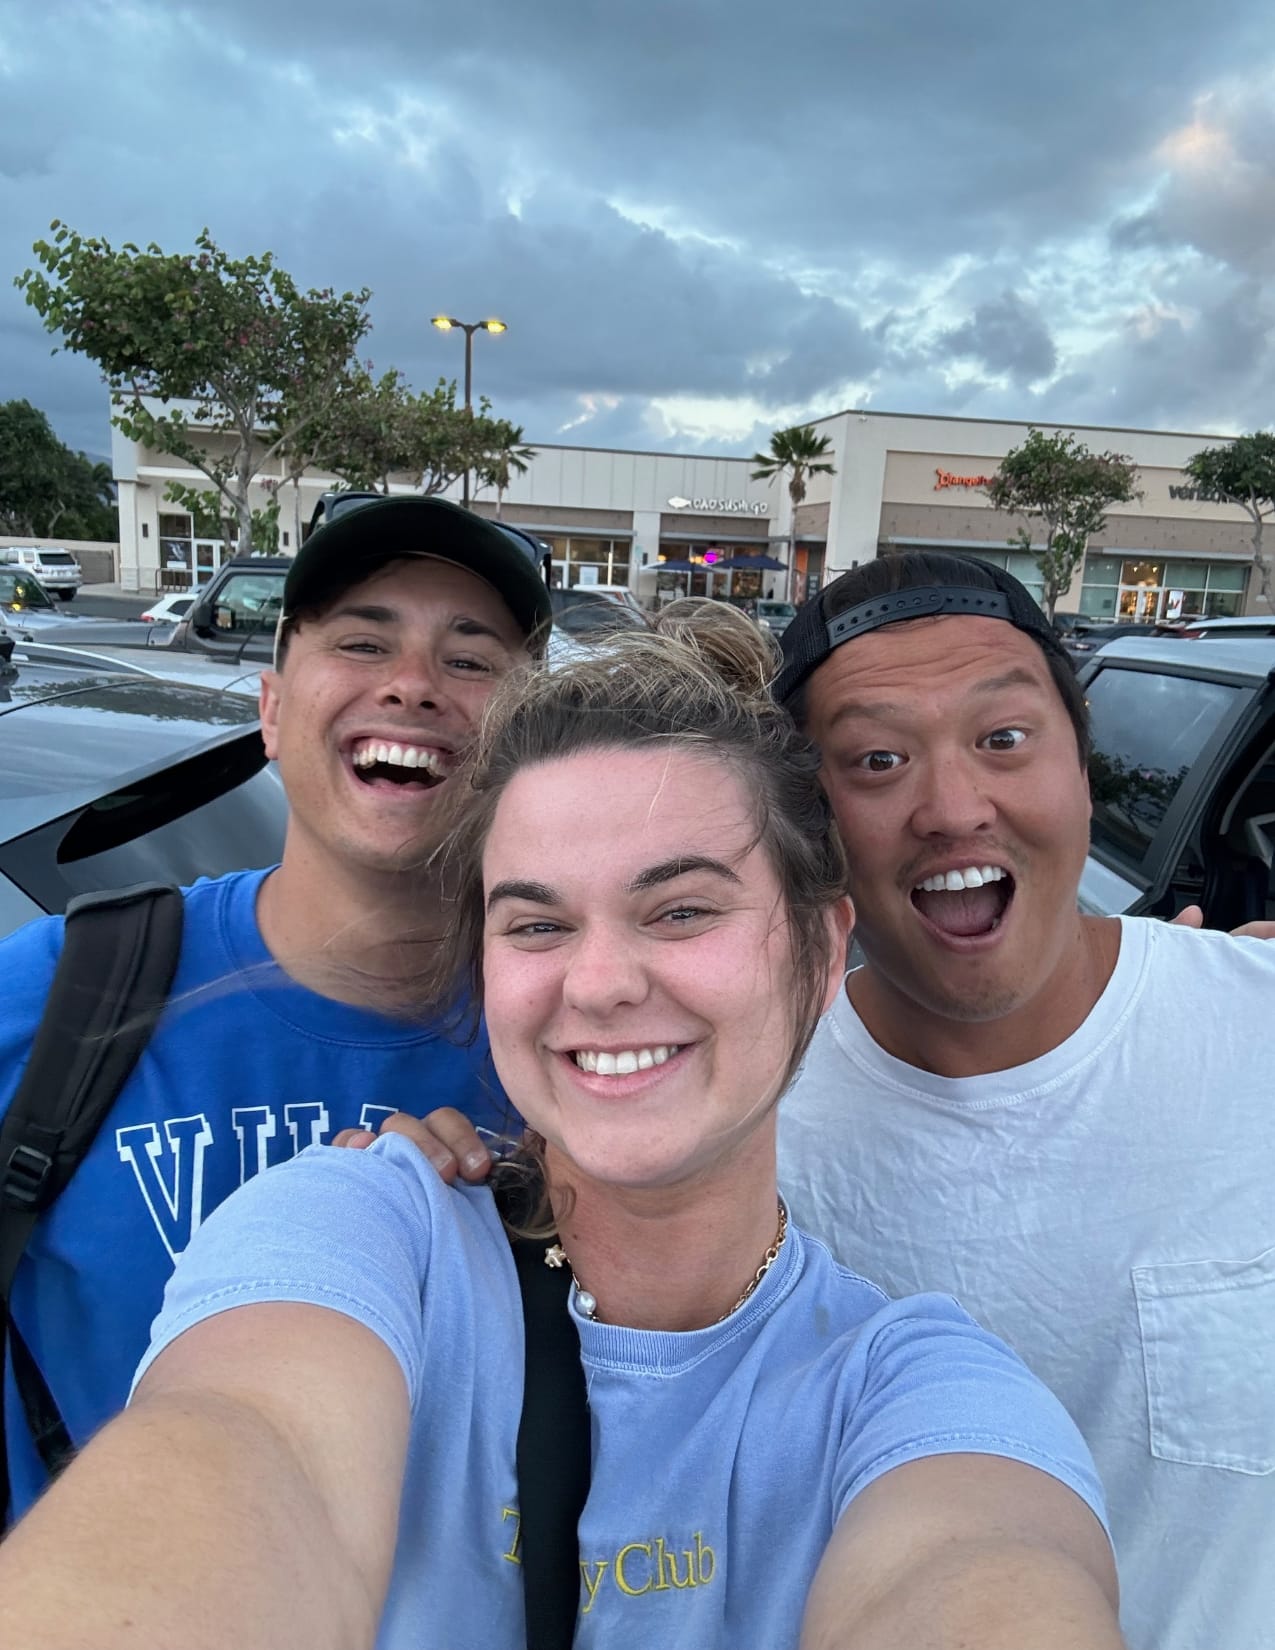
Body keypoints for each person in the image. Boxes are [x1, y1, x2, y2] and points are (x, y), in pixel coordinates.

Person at [0, 607, 1123, 1650]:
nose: (597, 983)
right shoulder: (360, 1227)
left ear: (822, 954)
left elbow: (984, 1561)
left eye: (680, 910)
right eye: (536, 923)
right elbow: (244, 1441)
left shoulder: (911, 1389)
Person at [0, 494, 551, 1524]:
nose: (412, 685)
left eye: (471, 660)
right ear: (270, 709)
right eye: (361, 641)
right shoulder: (64, 993)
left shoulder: (587, 1040)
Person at [766, 551, 1275, 1650]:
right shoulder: (747, 1138)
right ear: (811, 825)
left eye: (1003, 740)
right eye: (878, 759)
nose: (953, 808)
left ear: (1086, 770)